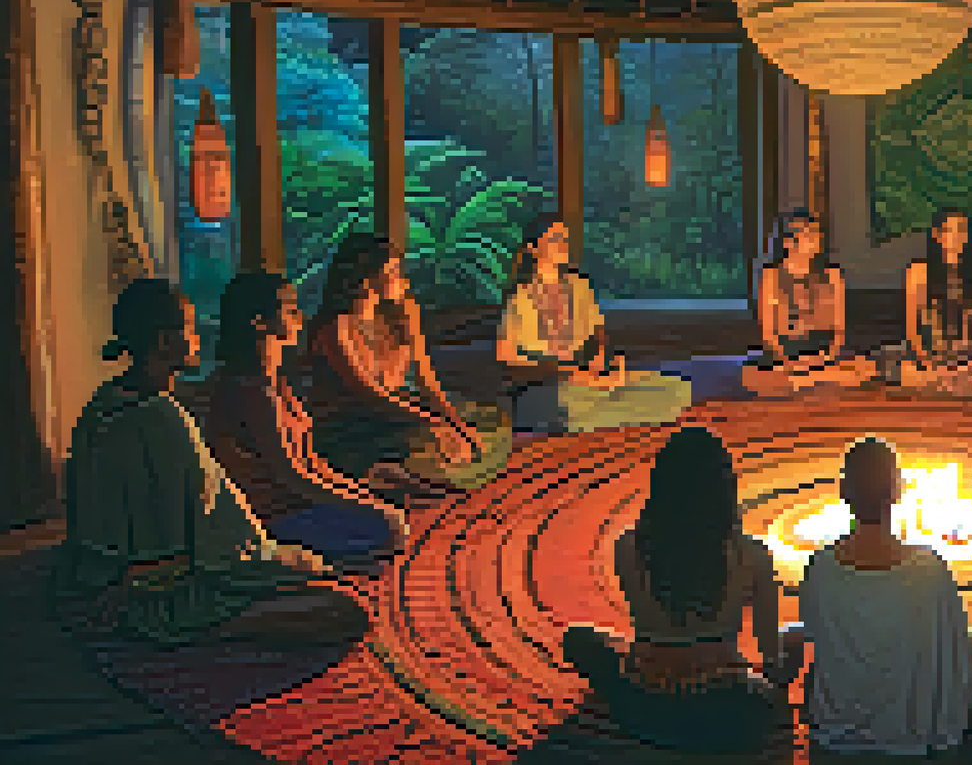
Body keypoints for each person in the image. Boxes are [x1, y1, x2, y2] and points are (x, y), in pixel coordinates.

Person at [56, 278, 369, 649]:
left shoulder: (103, 404)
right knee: (344, 610)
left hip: (106, 573)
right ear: (163, 342)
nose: (197, 335)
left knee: (315, 575)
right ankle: (207, 629)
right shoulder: (162, 418)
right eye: (189, 326)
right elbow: (199, 536)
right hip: (160, 590)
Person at [561, 427, 801, 752]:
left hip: (642, 701)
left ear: (660, 487)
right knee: (795, 637)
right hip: (728, 706)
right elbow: (771, 657)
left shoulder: (627, 546)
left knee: (580, 639)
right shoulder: (751, 555)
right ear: (725, 489)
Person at [796, 436, 972, 756]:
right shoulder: (930, 568)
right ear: (899, 492)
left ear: (843, 493)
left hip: (837, 729)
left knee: (802, 655)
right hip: (915, 729)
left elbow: (817, 639)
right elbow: (954, 657)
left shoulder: (818, 567)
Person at [207, 271, 411, 575]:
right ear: (259, 322)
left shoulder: (276, 383)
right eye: (289, 309)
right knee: (388, 527)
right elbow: (294, 477)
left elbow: (312, 463)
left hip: (300, 503)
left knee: (387, 507)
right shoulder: (250, 391)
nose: (300, 316)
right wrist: (369, 507)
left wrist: (361, 495)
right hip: (274, 517)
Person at [300, 228, 482, 498]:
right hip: (351, 421)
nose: (403, 281)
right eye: (394, 273)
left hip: (395, 409)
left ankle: (409, 473)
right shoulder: (336, 328)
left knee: (471, 432)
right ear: (365, 280)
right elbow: (369, 395)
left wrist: (456, 422)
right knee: (436, 444)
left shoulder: (402, 313)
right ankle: (388, 475)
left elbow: (426, 381)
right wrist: (433, 422)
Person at [497, 212, 692, 433]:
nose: (563, 245)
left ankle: (608, 412)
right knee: (569, 404)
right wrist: (568, 373)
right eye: (555, 239)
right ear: (533, 248)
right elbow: (508, 361)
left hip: (588, 381)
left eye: (565, 239)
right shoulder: (520, 297)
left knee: (677, 389)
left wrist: (603, 359)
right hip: (549, 387)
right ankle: (597, 416)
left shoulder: (579, 286)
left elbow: (598, 333)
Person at [742, 210, 878, 396]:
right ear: (788, 241)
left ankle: (814, 378)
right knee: (756, 377)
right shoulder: (770, 277)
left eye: (817, 233)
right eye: (808, 234)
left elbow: (839, 329)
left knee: (865, 368)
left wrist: (827, 356)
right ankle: (804, 379)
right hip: (785, 357)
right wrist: (790, 361)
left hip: (823, 355)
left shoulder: (833, 276)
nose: (816, 238)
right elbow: (768, 334)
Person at [883, 209, 972, 397]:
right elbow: (912, 332)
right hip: (930, 359)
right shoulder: (918, 273)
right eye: (949, 231)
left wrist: (969, 365)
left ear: (968, 236)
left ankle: (950, 384)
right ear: (937, 235)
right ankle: (942, 383)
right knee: (892, 366)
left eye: (961, 231)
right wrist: (931, 365)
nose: (955, 238)